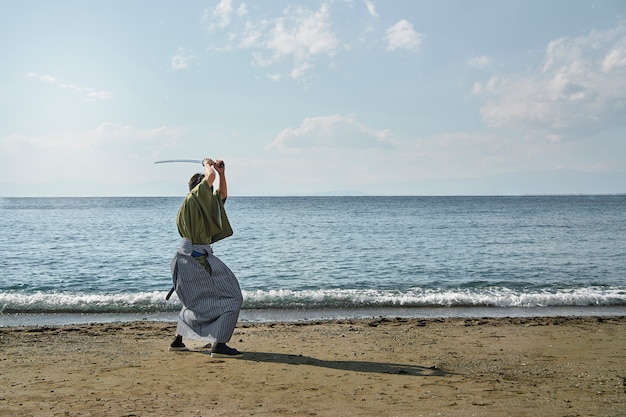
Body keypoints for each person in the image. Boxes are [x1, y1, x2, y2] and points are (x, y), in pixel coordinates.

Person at [168, 157, 243, 358]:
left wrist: (222, 173)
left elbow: (222, 194)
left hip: (189, 259)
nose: (211, 194)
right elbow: (209, 177)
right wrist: (207, 164)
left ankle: (177, 339)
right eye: (207, 189)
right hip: (194, 258)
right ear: (199, 189)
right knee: (233, 297)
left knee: (195, 299)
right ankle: (219, 345)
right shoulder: (192, 201)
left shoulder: (204, 206)